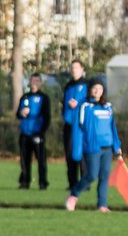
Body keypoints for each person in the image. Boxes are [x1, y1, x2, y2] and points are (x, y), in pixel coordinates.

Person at [65, 81, 122, 212]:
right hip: (92, 147)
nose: (97, 91)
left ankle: (102, 205)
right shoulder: (85, 106)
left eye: (100, 88)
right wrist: (77, 148)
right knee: (91, 175)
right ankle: (74, 194)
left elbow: (112, 127)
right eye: (94, 88)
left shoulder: (108, 107)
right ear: (90, 90)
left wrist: (116, 145)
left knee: (104, 176)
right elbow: (79, 127)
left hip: (107, 147)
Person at [17, 73, 51, 190]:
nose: (34, 83)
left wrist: (41, 132)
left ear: (40, 83)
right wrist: (21, 113)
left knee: (41, 160)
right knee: (24, 160)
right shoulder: (25, 97)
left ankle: (42, 183)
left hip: (37, 134)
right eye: (33, 81)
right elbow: (18, 114)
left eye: (37, 81)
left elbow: (47, 117)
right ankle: (25, 182)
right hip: (25, 133)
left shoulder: (44, 98)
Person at [61, 59, 88, 190]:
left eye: (76, 68)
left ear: (82, 69)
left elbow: (89, 103)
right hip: (69, 125)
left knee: (82, 153)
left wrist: (78, 105)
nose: (73, 70)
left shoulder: (87, 85)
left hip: (82, 125)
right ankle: (72, 183)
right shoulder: (68, 86)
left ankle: (85, 182)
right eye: (72, 68)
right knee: (69, 154)